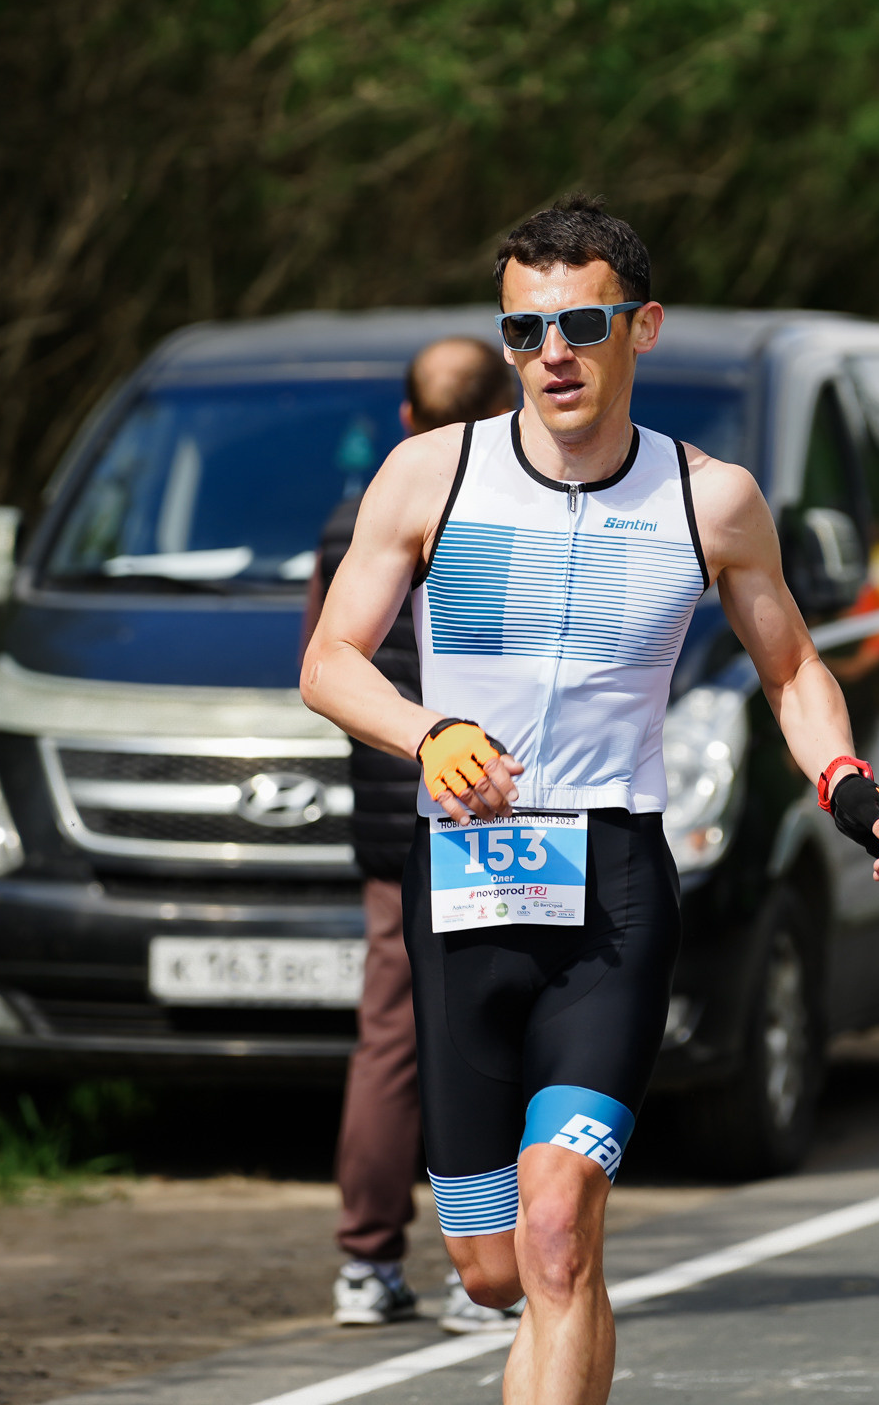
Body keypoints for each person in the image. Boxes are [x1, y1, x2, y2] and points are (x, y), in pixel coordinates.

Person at [300, 197, 879, 1405]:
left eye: (581, 325)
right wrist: (430, 731)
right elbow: (331, 660)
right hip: (465, 892)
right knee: (490, 1272)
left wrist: (846, 783)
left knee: (558, 1234)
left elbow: (791, 667)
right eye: (524, 333)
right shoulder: (433, 475)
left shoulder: (710, 500)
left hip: (615, 893)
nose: (553, 357)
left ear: (643, 326)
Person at [304, 337, 518, 1329]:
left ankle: (366, 1262)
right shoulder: (517, 509)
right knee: (496, 1030)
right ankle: (487, 1272)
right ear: (504, 407)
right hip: (498, 809)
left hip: (393, 824)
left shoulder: (356, 519)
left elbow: (327, 665)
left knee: (392, 1036)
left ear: (402, 420)